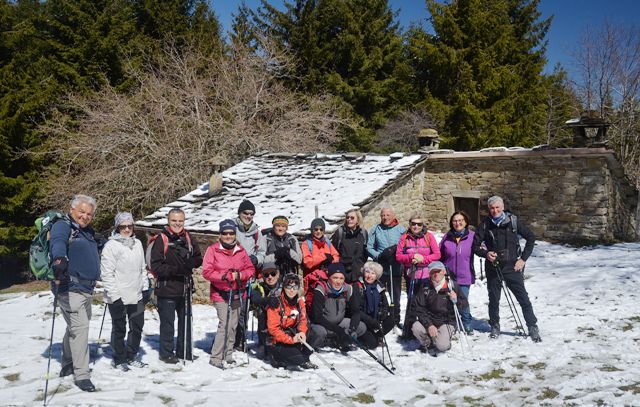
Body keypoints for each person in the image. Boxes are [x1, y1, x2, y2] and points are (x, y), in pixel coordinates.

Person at [50, 194, 101, 392]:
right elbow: (58, 242)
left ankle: (68, 361)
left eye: (89, 214)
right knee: (81, 329)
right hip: (69, 287)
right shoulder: (64, 226)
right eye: (81, 212)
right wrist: (59, 259)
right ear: (72, 210)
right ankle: (81, 375)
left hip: (86, 289)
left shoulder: (86, 232)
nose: (85, 216)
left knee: (75, 327)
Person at [472, 196, 541, 342]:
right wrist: (486, 254)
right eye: (492, 208)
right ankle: (495, 325)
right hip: (493, 266)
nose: (495, 210)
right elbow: (475, 246)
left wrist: (522, 259)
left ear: (502, 207)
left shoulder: (513, 221)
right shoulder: (485, 224)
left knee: (523, 298)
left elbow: (530, 237)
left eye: (497, 207)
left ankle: (532, 326)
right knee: (494, 299)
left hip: (512, 267)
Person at [149, 208, 203, 364]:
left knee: (186, 321)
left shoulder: (189, 237)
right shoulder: (161, 239)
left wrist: (191, 263)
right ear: (168, 221)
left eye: (180, 221)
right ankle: (166, 354)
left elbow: (198, 257)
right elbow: (156, 266)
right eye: (174, 220)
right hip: (167, 288)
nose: (177, 223)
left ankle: (184, 351)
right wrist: (178, 269)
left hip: (185, 287)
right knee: (168, 323)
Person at [202, 219, 255, 368]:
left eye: (231, 233)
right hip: (221, 294)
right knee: (224, 324)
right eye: (225, 233)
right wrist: (223, 277)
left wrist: (240, 276)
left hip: (238, 293)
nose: (228, 236)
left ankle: (228, 354)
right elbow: (206, 272)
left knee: (233, 325)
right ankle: (216, 357)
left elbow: (250, 269)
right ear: (220, 235)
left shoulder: (240, 250)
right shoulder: (213, 250)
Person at [100, 212, 149, 371]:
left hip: (136, 295)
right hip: (118, 296)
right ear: (117, 227)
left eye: (130, 226)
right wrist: (114, 296)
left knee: (137, 327)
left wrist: (145, 287)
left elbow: (142, 268)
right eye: (123, 226)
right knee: (119, 328)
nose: (127, 229)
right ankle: (119, 358)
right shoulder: (111, 246)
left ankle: (131, 354)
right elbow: (107, 274)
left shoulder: (138, 244)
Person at [307, 263, 377, 351]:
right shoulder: (320, 289)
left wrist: (352, 329)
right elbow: (317, 317)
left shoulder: (347, 289)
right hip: (321, 324)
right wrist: (338, 330)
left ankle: (336, 340)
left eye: (341, 278)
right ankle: (319, 343)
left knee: (361, 327)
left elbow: (355, 311)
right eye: (335, 278)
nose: (338, 281)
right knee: (320, 333)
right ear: (329, 277)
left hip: (339, 322)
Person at [395, 213, 440, 336]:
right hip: (412, 275)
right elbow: (398, 256)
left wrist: (422, 259)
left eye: (419, 224)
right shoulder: (404, 238)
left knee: (426, 302)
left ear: (422, 225)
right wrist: (412, 257)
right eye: (413, 224)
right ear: (409, 224)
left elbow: (437, 254)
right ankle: (409, 329)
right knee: (412, 301)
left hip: (426, 275)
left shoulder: (428, 237)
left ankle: (428, 328)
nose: (416, 226)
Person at [411, 261, 468, 356]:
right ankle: (428, 343)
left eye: (438, 271)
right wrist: (429, 325)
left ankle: (442, 339)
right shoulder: (425, 287)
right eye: (433, 272)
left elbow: (464, 304)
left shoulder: (452, 286)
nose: (436, 274)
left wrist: (456, 300)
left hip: (446, 321)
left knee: (442, 346)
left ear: (444, 271)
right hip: (430, 320)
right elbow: (419, 308)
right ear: (429, 274)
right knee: (416, 327)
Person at [233, 200, 267, 350]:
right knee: (233, 310)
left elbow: (262, 252)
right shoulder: (232, 228)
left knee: (244, 311)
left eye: (251, 214)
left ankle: (240, 340)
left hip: (248, 278)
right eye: (245, 213)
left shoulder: (257, 232)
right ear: (239, 213)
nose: (248, 216)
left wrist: (256, 259)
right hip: (233, 277)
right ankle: (230, 340)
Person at [266, 273, 317, 370]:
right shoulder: (276, 302)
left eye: (295, 286)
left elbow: (303, 319)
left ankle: (304, 357)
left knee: (317, 332)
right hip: (278, 340)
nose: (292, 290)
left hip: (292, 333)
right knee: (298, 360)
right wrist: (290, 340)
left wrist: (302, 332)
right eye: (289, 286)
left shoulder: (299, 301)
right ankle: (277, 357)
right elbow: (273, 330)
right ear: (284, 287)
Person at [367, 206, 405, 328]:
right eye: (383, 215)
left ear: (393, 215)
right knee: (379, 294)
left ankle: (395, 318)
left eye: (388, 215)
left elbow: (406, 246)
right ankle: (380, 317)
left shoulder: (401, 230)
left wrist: (398, 254)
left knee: (396, 296)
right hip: (380, 269)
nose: (385, 217)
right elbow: (368, 246)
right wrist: (378, 256)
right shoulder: (375, 229)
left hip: (395, 268)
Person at [439, 211, 475, 335]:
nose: (457, 223)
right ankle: (452, 323)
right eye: (455, 221)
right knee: (449, 301)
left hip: (465, 274)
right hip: (449, 275)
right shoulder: (447, 236)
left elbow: (482, 248)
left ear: (465, 222)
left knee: (462, 301)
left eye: (460, 220)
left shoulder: (472, 236)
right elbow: (440, 254)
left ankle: (467, 323)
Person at [301, 218, 340, 312]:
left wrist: (331, 260)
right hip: (313, 280)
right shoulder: (307, 244)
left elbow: (336, 256)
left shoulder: (327, 242)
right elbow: (308, 262)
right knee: (313, 304)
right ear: (312, 230)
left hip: (327, 278)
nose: (318, 231)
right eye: (316, 229)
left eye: (321, 229)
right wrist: (323, 257)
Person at [356, 261, 395, 346]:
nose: (369, 276)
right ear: (363, 273)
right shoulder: (358, 286)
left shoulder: (379, 287)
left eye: (373, 273)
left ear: (376, 276)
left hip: (375, 319)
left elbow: (385, 305)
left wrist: (383, 314)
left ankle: (378, 336)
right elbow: (357, 310)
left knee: (392, 320)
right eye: (367, 272)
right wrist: (371, 321)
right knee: (372, 344)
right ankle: (365, 337)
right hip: (362, 320)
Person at [249, 261, 282, 354]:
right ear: (262, 276)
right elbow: (255, 298)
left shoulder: (285, 287)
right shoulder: (259, 287)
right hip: (265, 325)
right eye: (266, 274)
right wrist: (267, 300)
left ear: (278, 274)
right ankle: (263, 342)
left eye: (273, 273)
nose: (270, 277)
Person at [331, 209, 368, 283]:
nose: (349, 220)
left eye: (352, 218)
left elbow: (365, 252)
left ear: (358, 220)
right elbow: (333, 251)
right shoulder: (340, 233)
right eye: (347, 217)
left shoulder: (363, 233)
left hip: (358, 273)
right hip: (343, 273)